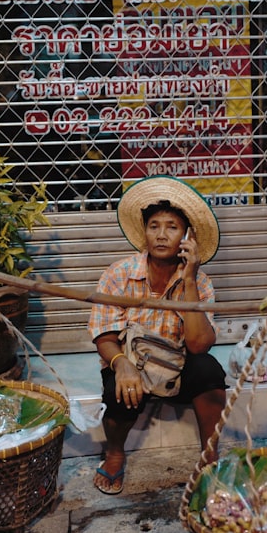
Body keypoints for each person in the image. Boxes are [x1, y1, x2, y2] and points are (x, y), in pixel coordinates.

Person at [87, 175, 228, 495]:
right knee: (116, 389)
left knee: (209, 371)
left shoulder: (200, 282)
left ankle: (210, 457)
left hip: (177, 365)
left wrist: (189, 282)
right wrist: (121, 362)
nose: (162, 234)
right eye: (154, 225)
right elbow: (103, 335)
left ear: (187, 235)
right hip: (134, 365)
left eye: (172, 226)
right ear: (144, 231)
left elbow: (199, 345)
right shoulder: (119, 274)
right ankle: (114, 453)